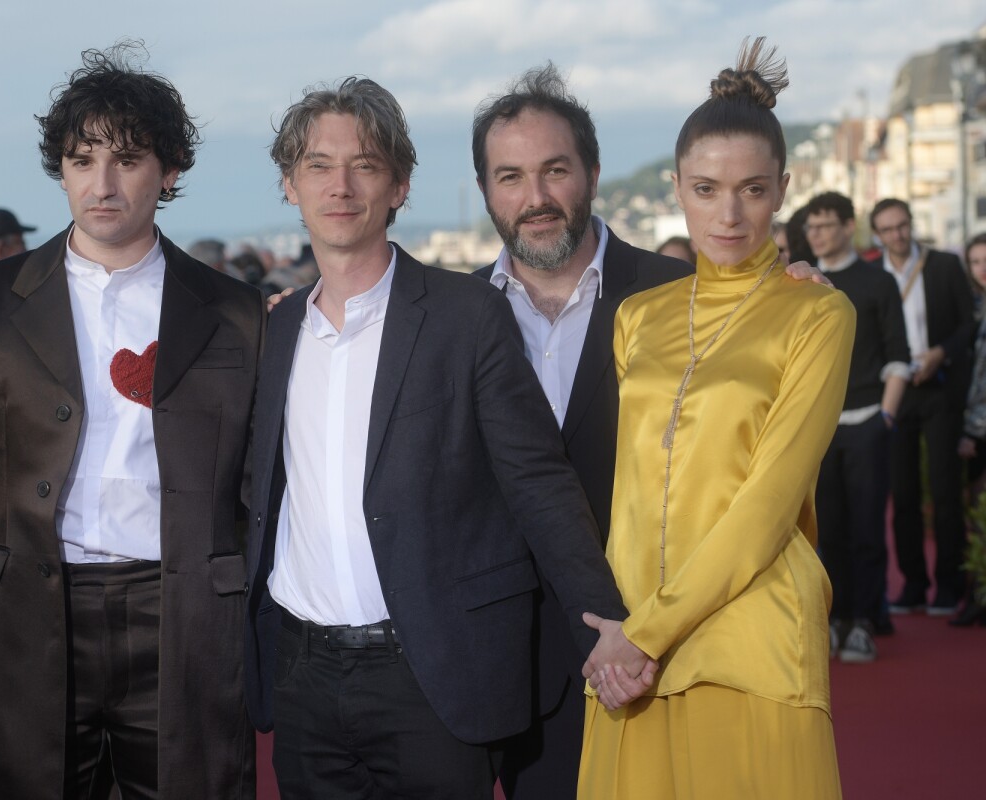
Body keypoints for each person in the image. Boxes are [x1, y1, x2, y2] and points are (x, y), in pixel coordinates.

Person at [244, 76, 639, 800]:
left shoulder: (467, 317)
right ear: (288, 185)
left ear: (398, 185)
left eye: (364, 165)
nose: (340, 186)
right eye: (317, 166)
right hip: (303, 673)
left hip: (432, 671)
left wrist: (604, 621)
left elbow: (537, 480)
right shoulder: (269, 331)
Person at [0, 44, 262, 799]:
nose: (101, 184)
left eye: (127, 160)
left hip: (182, 619)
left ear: (168, 173)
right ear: (61, 172)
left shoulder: (232, 313)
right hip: (28, 616)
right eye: (80, 160)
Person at [577, 39, 853, 799]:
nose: (729, 214)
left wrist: (643, 635)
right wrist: (626, 638)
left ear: (784, 189)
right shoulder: (638, 316)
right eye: (705, 189)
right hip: (631, 658)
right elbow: (629, 487)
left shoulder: (818, 313)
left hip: (750, 640)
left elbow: (767, 506)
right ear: (676, 188)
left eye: (753, 190)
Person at [468, 64, 689, 798]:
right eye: (510, 176)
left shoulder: (678, 296)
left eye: (554, 170)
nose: (534, 198)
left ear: (592, 172)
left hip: (662, 650)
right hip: (514, 671)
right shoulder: (446, 318)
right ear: (486, 191)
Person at [805, 191, 910, 662]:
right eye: (812, 226)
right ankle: (834, 616)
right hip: (819, 429)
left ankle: (864, 621)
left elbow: (897, 356)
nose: (818, 234)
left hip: (868, 419)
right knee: (825, 531)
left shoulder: (877, 282)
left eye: (827, 225)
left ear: (849, 227)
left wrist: (885, 418)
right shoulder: (802, 282)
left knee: (868, 527)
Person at [869, 197, 975, 615]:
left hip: (940, 387)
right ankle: (913, 584)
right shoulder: (874, 276)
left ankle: (949, 586)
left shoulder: (943, 266)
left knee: (947, 491)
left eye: (903, 225)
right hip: (896, 390)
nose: (898, 234)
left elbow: (969, 322)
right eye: (889, 229)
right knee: (904, 492)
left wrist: (939, 354)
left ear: (911, 224)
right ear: (877, 235)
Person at [954, 231, 986, 627]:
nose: (983, 269)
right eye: (976, 262)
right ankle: (978, 593)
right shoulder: (972, 310)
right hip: (976, 429)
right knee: (977, 514)